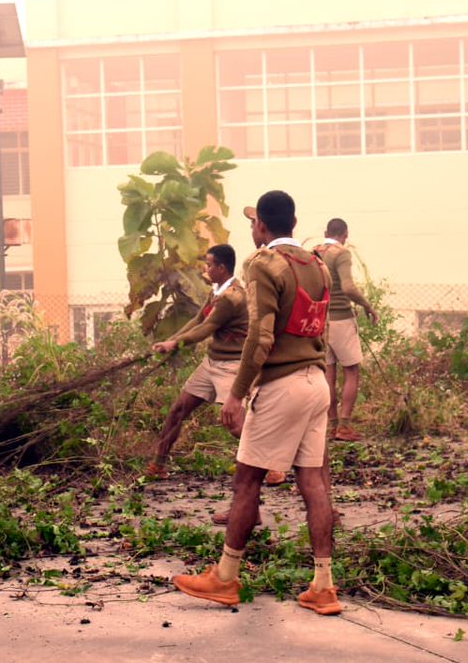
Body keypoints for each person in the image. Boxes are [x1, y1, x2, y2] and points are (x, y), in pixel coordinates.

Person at [173, 190, 341, 616]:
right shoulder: (317, 264)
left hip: (282, 386)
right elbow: (315, 328)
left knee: (247, 481)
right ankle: (324, 586)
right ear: (294, 222)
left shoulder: (263, 264)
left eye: (253, 223)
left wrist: (236, 393)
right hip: (317, 383)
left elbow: (261, 337)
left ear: (262, 226)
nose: (252, 229)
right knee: (314, 484)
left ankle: (226, 578)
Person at [147, 245, 284, 517]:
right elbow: (199, 318)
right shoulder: (217, 292)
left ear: (222, 268)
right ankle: (158, 463)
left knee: (235, 423)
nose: (205, 269)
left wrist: (175, 343)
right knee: (178, 409)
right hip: (211, 363)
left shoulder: (231, 298)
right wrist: (173, 340)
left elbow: (207, 328)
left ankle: (272, 465)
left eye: (209, 265)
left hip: (231, 366)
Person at [312, 218, 378, 442]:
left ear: (326, 232)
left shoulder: (314, 252)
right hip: (341, 319)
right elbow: (348, 287)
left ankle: (331, 426)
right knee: (351, 372)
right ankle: (344, 427)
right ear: (345, 234)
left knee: (328, 374)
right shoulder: (341, 253)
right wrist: (367, 305)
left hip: (320, 322)